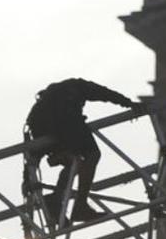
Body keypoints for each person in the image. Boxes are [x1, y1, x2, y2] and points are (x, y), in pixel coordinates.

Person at [23, 77, 134, 225]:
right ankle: (78, 205)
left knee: (73, 161)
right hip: (61, 127)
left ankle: (57, 201)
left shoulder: (45, 104)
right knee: (91, 155)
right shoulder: (75, 90)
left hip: (45, 133)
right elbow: (103, 93)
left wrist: (28, 176)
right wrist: (129, 103)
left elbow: (33, 152)